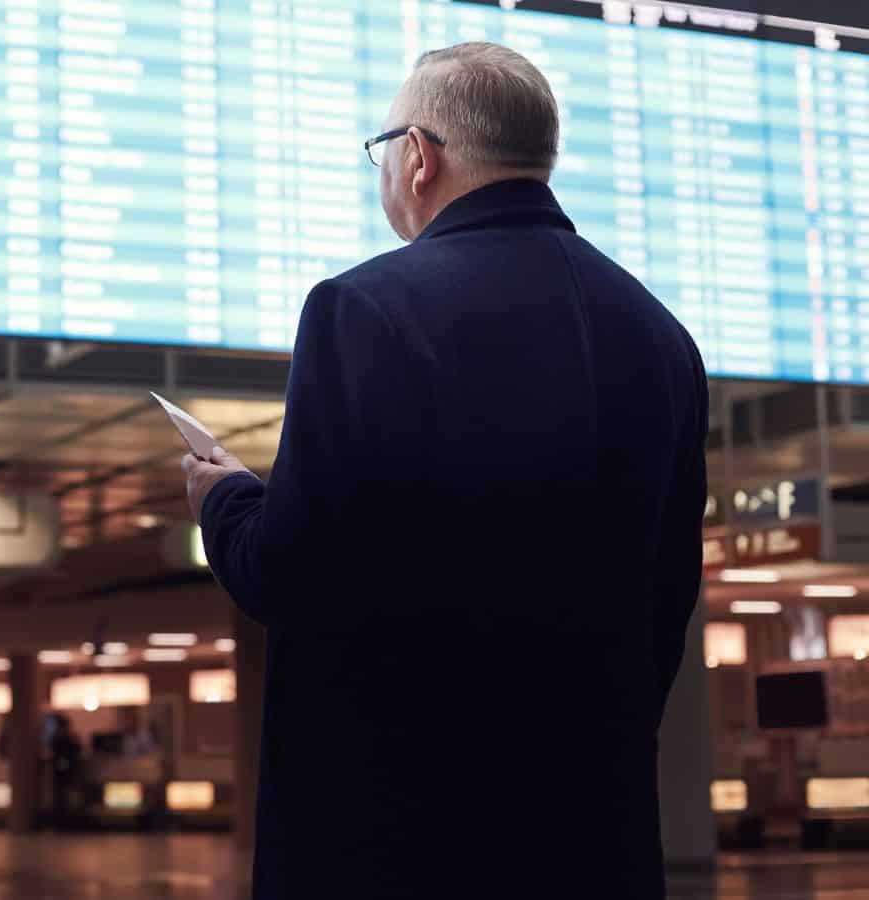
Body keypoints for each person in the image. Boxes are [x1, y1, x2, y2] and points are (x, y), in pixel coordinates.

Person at [181, 43, 707, 900]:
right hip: (592, 836)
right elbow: (667, 604)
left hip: (397, 840)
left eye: (383, 147)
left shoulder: (364, 309)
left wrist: (225, 498)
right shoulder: (661, 336)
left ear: (420, 155)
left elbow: (297, 574)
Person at [46, 714, 82, 830]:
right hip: (66, 772)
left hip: (62, 772)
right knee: (63, 797)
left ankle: (63, 823)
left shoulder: (59, 738)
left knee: (62, 797)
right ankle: (65, 823)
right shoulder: (68, 738)